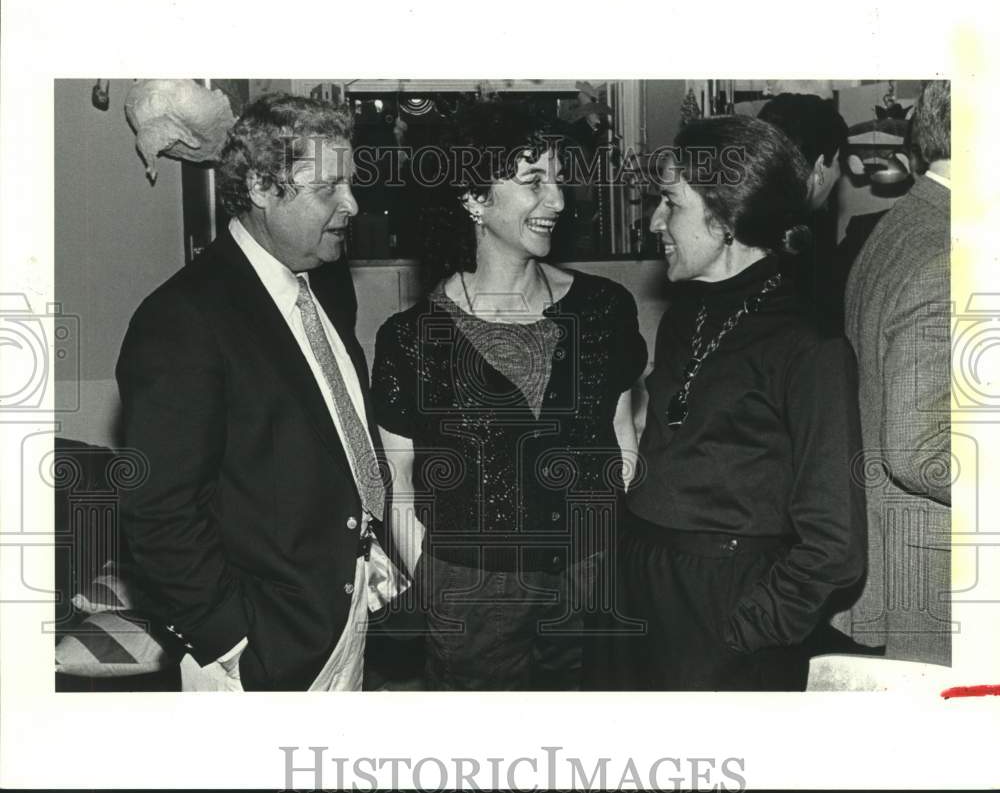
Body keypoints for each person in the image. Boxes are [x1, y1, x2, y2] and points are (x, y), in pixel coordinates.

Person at [117, 94, 394, 691]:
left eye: (350, 183)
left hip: (344, 615)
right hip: (258, 652)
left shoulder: (327, 284)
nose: (352, 204)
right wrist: (231, 642)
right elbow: (159, 513)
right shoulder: (182, 318)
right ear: (264, 188)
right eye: (329, 189)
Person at [370, 99, 647, 690]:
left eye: (558, 179)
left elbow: (623, 437)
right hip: (472, 600)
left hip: (592, 589)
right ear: (474, 199)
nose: (557, 200)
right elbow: (397, 482)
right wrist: (436, 579)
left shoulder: (603, 310)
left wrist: (602, 549)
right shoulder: (412, 339)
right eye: (532, 181)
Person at [595, 116, 866, 691]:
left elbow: (835, 543)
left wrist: (749, 627)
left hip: (723, 611)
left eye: (671, 203)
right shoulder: (683, 316)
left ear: (725, 216)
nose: (655, 222)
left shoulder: (809, 346)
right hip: (640, 592)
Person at [831, 80, 952, 666]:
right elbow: (920, 449)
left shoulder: (908, 221)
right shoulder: (948, 247)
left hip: (905, 558)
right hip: (941, 573)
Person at [758, 93, 849, 335]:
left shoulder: (742, 225)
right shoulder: (810, 251)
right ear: (820, 166)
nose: (840, 174)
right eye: (839, 162)